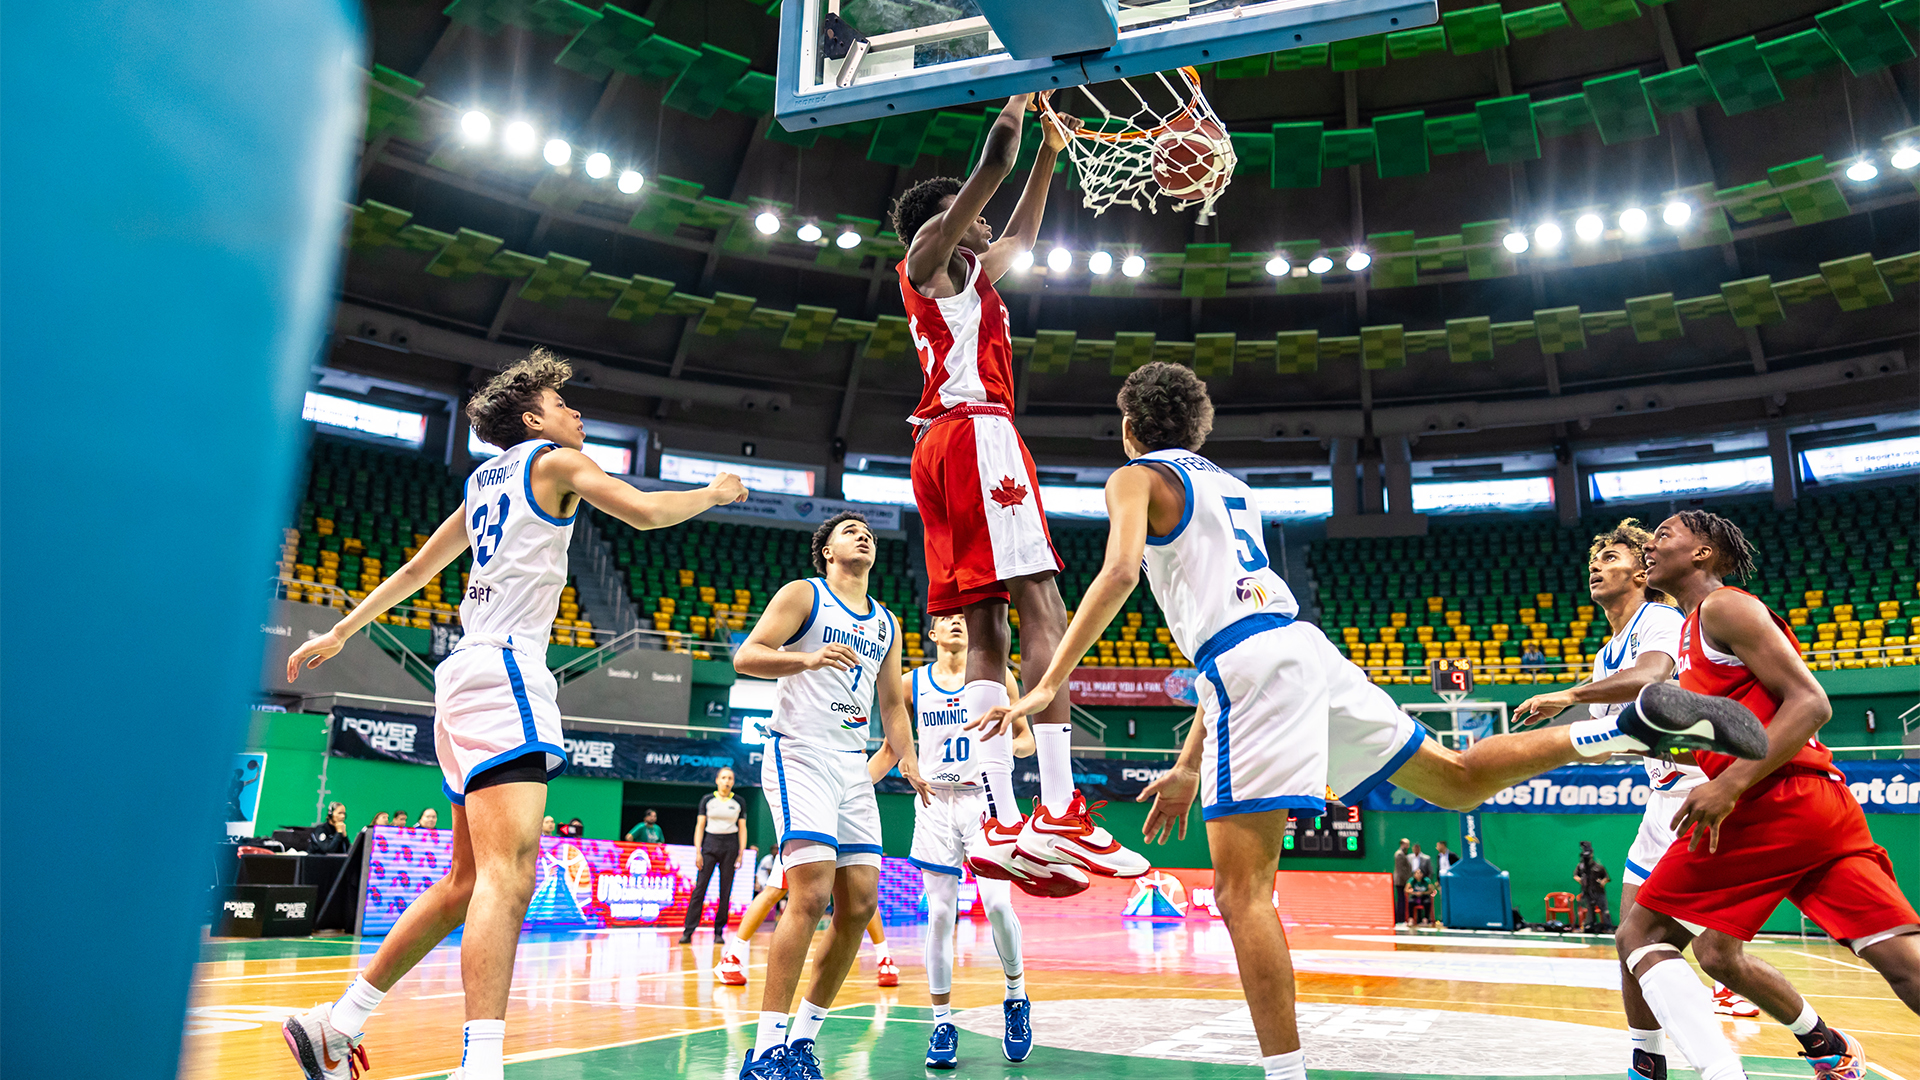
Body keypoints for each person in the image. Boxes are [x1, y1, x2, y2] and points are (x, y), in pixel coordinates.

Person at [977, 363, 1771, 1080]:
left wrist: (1049, 677)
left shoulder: (1134, 477)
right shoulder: (1230, 484)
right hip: (1299, 646)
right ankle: (1615, 732)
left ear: (1129, 428)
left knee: (1240, 892)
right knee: (1457, 784)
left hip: (1243, 666)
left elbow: (1120, 575)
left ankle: (1283, 1077)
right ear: (1200, 428)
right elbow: (1243, 642)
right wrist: (1190, 761)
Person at [279, 349, 748, 1080]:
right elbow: (650, 514)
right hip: (505, 670)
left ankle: (338, 1024)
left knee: (468, 881)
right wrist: (714, 492)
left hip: (463, 675)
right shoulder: (553, 465)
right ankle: (481, 1066)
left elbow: (413, 572)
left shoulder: (482, 482)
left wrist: (344, 629)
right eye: (564, 404)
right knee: (510, 877)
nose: (577, 414)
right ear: (534, 419)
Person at [890, 95, 1146, 888]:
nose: (987, 230)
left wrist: (1049, 152)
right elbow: (990, 163)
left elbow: (1025, 234)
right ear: (945, 216)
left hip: (939, 447)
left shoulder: (963, 275)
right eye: (974, 218)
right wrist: (1021, 98)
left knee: (988, 634)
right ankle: (1063, 809)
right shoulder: (929, 253)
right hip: (976, 436)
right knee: (1043, 604)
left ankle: (1000, 819)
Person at [1614, 510, 1920, 1080]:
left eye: (1664, 536)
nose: (1649, 547)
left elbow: (1811, 703)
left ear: (1703, 552)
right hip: (1817, 807)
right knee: (1901, 963)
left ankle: (1697, 1071)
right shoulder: (1688, 631)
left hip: (1771, 802)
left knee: (1642, 932)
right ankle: (1829, 1049)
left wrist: (1727, 785)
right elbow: (1741, 727)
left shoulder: (1724, 607)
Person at [1514, 516, 1761, 1073]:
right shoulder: (1607, 653)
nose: (1596, 566)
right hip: (1662, 798)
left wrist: (1567, 698)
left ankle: (1783, 1048)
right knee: (1631, 944)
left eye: (1611, 557)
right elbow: (1614, 745)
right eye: (1594, 559)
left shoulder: (1661, 617)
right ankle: (1646, 1061)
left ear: (1642, 573)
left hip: (1705, 788)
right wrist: (1536, 757)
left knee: (1710, 955)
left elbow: (1652, 678)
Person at [731, 511, 931, 1080]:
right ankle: (766, 1048)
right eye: (849, 530)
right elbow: (748, 656)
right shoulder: (804, 595)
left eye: (867, 531)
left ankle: (801, 1043)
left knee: (862, 904)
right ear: (826, 551)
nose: (862, 534)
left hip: (851, 766)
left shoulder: (887, 624)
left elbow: (893, 705)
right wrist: (807, 657)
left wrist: (908, 759)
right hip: (798, 752)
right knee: (811, 894)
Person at [867, 613, 1042, 1067]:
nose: (957, 623)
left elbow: (1027, 741)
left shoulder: (997, 676)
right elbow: (891, 747)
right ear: (932, 633)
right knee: (941, 914)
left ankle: (1016, 997)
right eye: (947, 617)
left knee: (999, 906)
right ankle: (942, 1023)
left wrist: (1004, 740)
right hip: (934, 803)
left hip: (985, 801)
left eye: (964, 617)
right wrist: (852, 790)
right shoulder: (911, 684)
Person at [719, 855, 899, 990]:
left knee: (861, 894)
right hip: (807, 824)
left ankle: (884, 959)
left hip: (843, 826)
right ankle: (731, 956)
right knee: (775, 890)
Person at [680, 767, 749, 944]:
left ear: (733, 782)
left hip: (730, 847)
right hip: (710, 845)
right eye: (724, 777)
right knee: (699, 889)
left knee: (725, 891)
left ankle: (719, 931)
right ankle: (688, 931)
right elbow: (699, 826)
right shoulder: (707, 800)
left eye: (730, 778)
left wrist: (741, 853)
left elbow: (742, 828)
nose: (727, 781)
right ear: (717, 780)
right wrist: (698, 851)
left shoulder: (739, 801)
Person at [1574, 841, 1611, 933]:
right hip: (1587, 891)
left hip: (1599, 891)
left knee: (1604, 910)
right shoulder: (1581, 867)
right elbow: (1575, 875)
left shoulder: (1598, 867)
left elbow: (1607, 877)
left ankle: (1608, 927)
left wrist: (1603, 882)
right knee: (1590, 910)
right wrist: (1581, 881)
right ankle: (1591, 926)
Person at [1391, 839, 1412, 928]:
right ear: (1402, 844)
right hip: (1401, 881)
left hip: (1403, 880)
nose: (1408, 847)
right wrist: (1407, 881)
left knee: (1403, 899)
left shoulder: (1404, 854)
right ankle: (1400, 919)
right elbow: (1401, 870)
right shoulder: (1399, 854)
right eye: (1406, 844)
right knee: (1401, 900)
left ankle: (1403, 918)